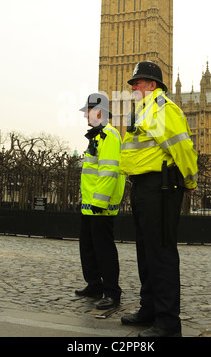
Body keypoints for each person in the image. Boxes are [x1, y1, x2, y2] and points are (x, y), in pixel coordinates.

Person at [119, 61, 198, 337]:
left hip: (162, 187)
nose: (133, 87)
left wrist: (190, 180)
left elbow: (183, 147)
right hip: (141, 186)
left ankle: (167, 323)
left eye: (137, 83)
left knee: (161, 252)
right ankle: (149, 309)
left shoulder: (163, 108)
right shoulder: (142, 111)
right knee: (146, 251)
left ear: (152, 85)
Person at [75, 92, 126, 310]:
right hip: (89, 205)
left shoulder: (110, 135)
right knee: (87, 248)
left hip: (100, 207)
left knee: (104, 250)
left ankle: (112, 292)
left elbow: (109, 171)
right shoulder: (96, 136)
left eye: (88, 110)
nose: (85, 115)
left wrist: (99, 202)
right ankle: (94, 285)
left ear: (99, 112)